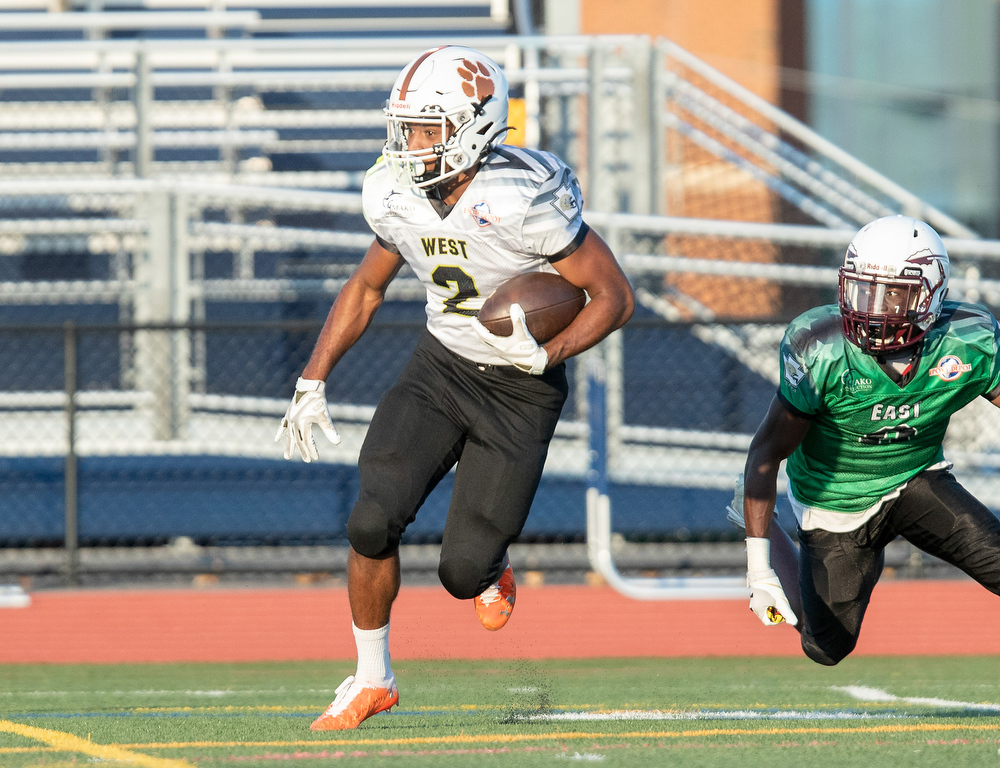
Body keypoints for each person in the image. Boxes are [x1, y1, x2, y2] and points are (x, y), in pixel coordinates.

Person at [274, 45, 634, 728]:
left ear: (474, 125)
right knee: (370, 519)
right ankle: (372, 677)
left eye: (426, 129)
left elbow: (613, 296)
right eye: (405, 127)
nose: (409, 144)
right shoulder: (395, 190)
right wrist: (312, 377)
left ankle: (489, 562)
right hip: (441, 368)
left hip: (521, 390)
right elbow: (368, 285)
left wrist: (549, 353)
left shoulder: (524, 194)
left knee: (461, 573)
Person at [728, 214, 1000, 665]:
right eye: (862, 289)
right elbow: (767, 450)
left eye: (891, 293)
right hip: (834, 502)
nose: (871, 307)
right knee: (826, 647)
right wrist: (759, 570)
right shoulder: (821, 347)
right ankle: (755, 520)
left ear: (931, 294)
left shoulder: (969, 339)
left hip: (915, 478)